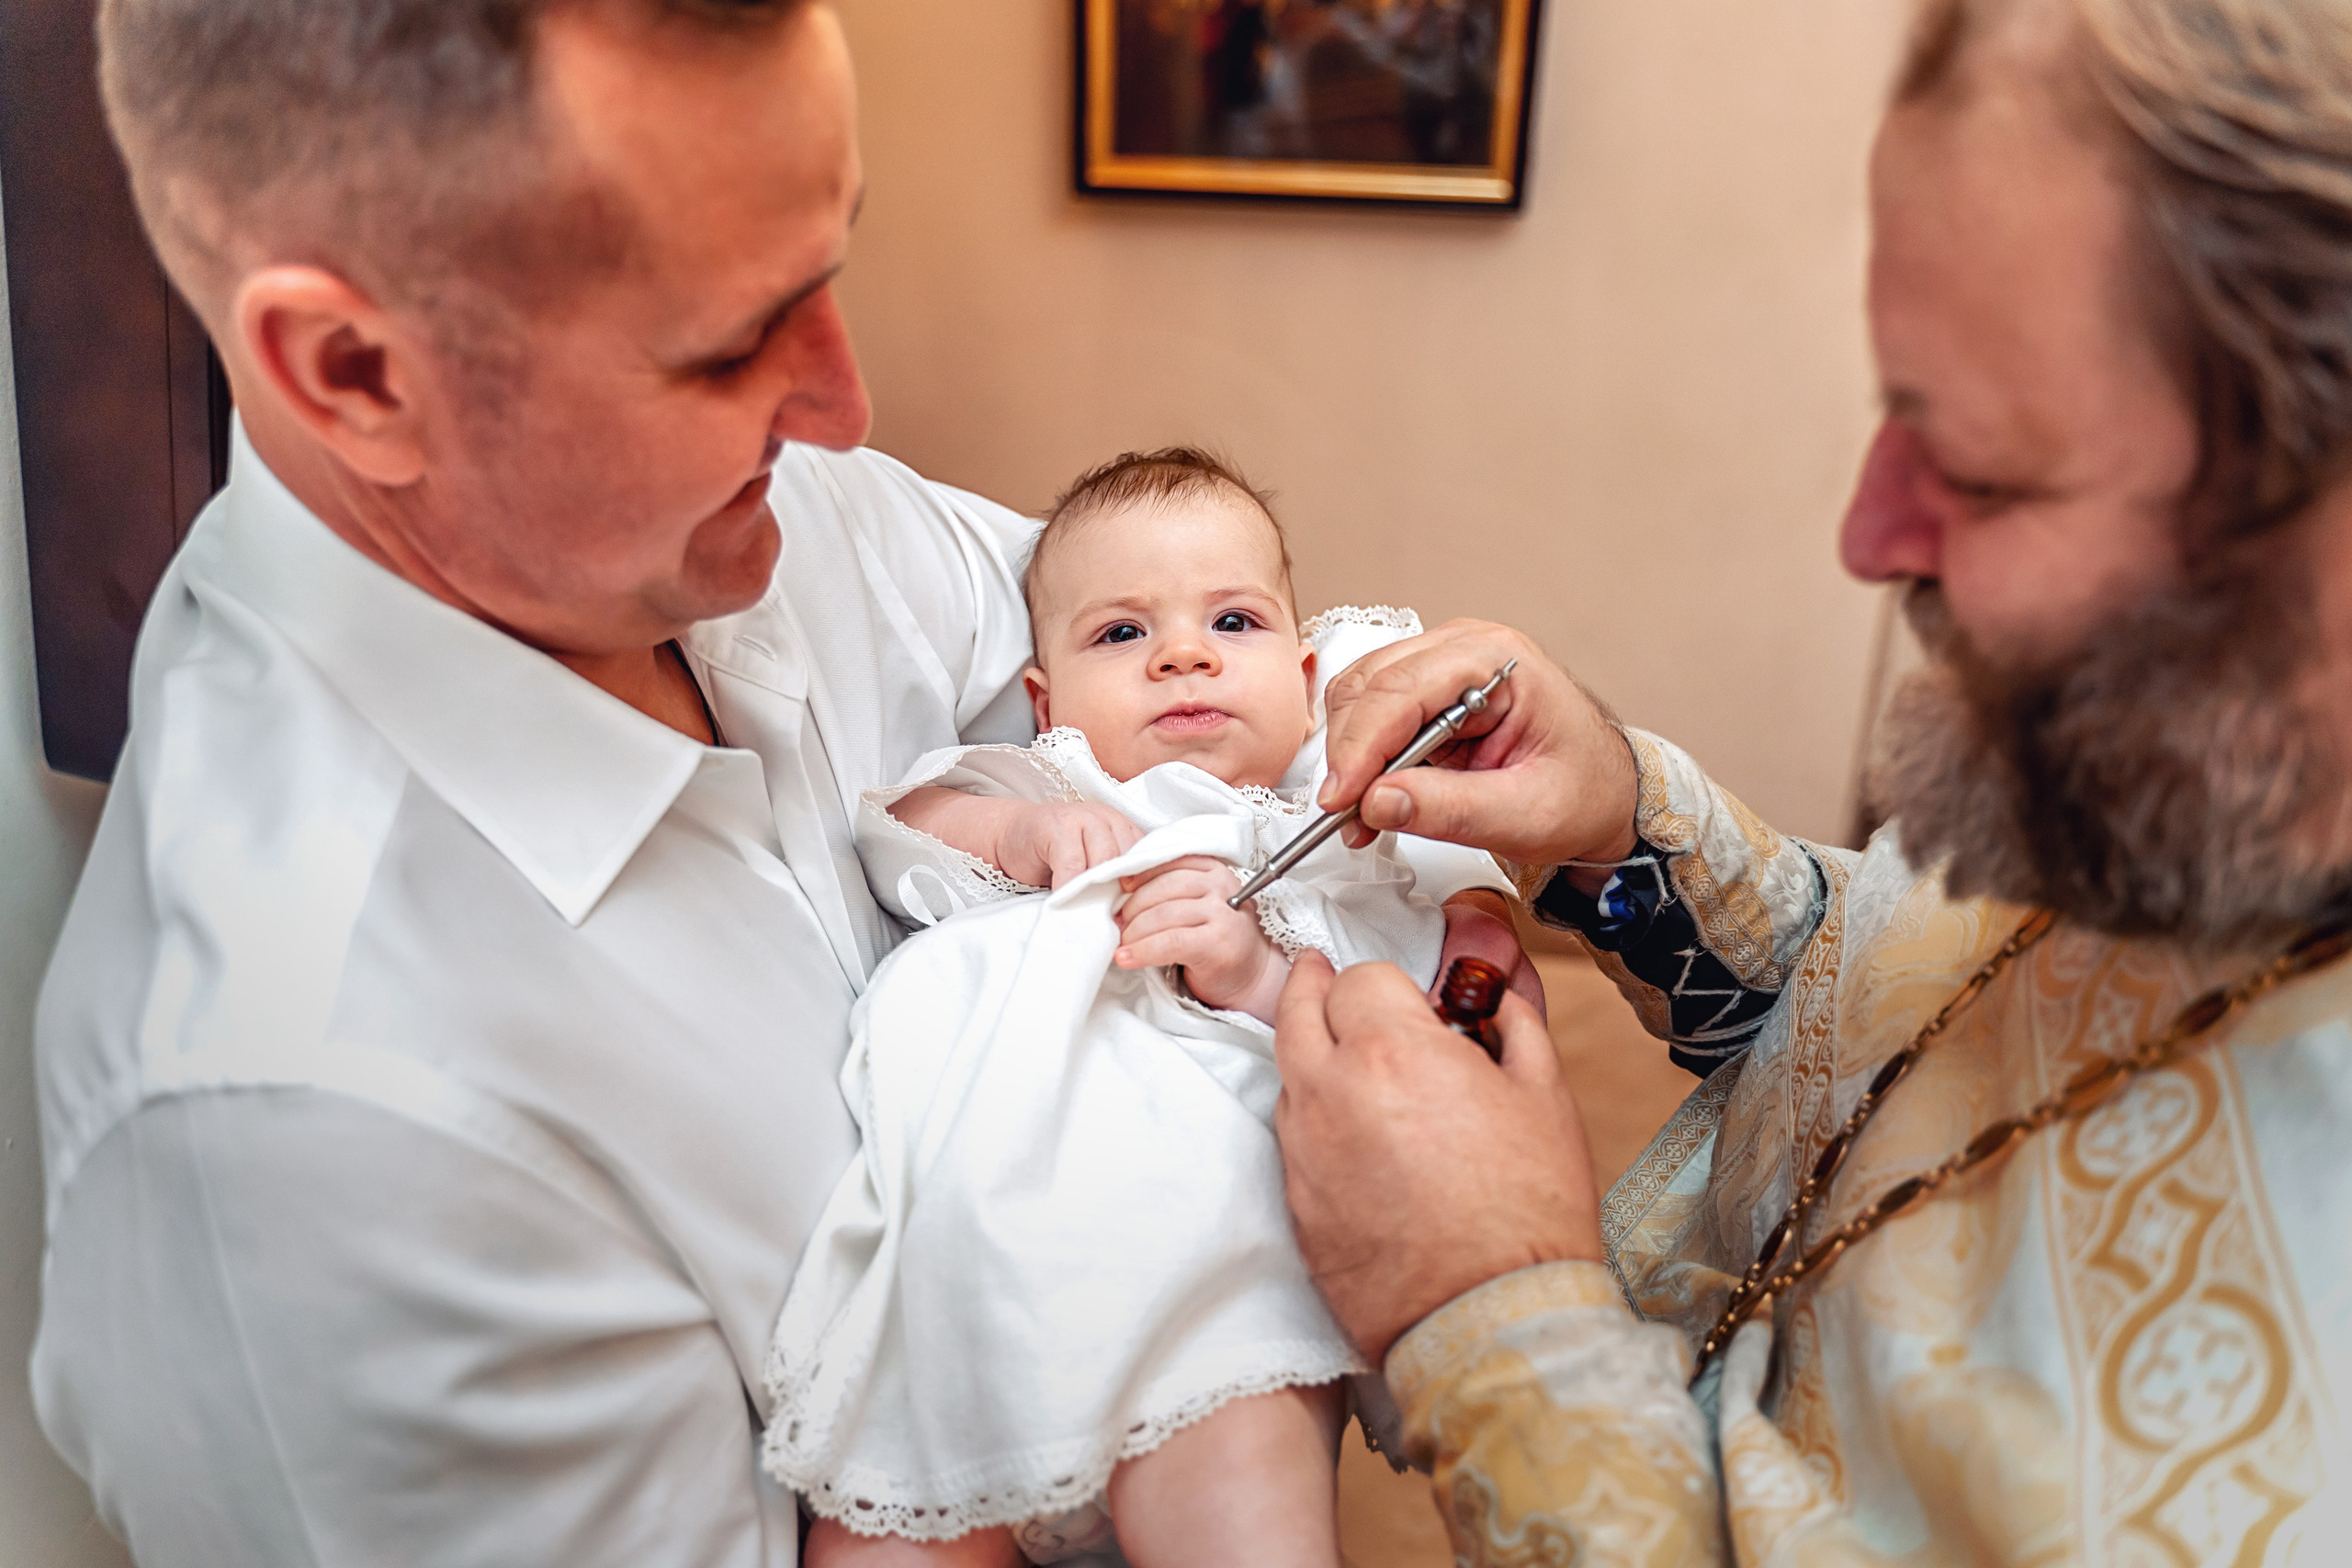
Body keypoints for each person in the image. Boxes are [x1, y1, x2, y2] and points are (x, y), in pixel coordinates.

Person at [28, 6, 1526, 1566]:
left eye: (829, 270)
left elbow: (1118, 613)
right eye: (730, 335)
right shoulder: (317, 1144)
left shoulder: (747, 500)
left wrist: (1401, 840)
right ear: (356, 373)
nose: (844, 407)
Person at [1272, 0, 2352, 1561]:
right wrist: (1625, 832)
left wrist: (1491, 1319)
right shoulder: (2193, 752)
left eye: (1978, 470)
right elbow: (1896, 1017)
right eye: (1892, 414)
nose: (1869, 533)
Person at [768, 450, 1527, 1568]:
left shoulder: (1328, 845)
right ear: (1045, 700)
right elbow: (899, 832)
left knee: (1241, 1516)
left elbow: (1387, 1044)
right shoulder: (1039, 785)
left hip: (1212, 1307)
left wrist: (1258, 971)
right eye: (1121, 635)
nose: (1181, 654)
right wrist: (1013, 837)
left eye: (1232, 621)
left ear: (1307, 674)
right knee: (879, 1526)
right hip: (959, 1296)